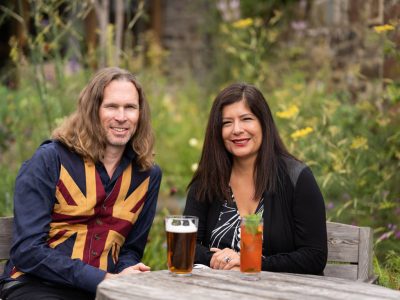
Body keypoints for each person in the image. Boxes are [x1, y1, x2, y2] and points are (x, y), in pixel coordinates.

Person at [0, 67, 162, 300]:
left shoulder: (147, 176)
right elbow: (27, 251)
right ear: (92, 110)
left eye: (130, 107)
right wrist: (101, 279)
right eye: (111, 106)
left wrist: (126, 269)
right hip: (36, 286)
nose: (122, 116)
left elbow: (131, 249)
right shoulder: (50, 160)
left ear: (140, 114)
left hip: (103, 290)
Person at [184, 83, 327, 274]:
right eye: (227, 123)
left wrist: (249, 262)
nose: (237, 129)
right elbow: (186, 246)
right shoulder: (208, 180)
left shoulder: (297, 178)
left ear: (263, 123)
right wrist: (222, 259)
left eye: (246, 119)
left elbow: (314, 256)